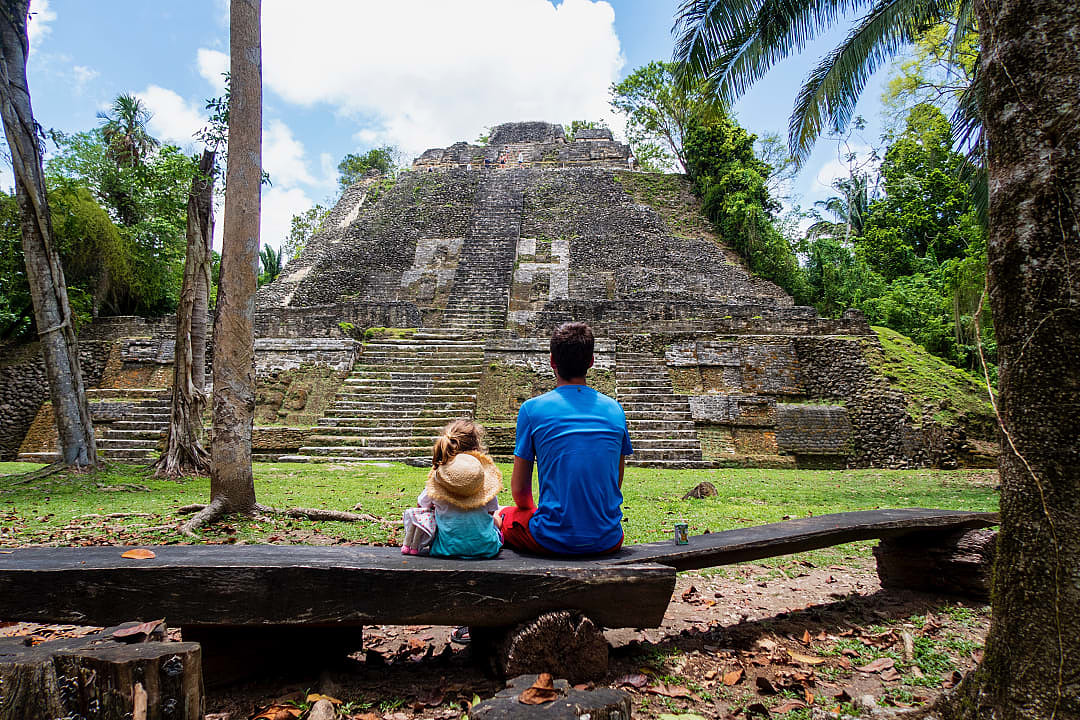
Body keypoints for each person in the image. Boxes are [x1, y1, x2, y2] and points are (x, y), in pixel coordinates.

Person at [496, 322, 632, 555]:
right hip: (608, 537)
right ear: (591, 362)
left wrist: (535, 512)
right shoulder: (615, 409)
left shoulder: (532, 410)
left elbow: (520, 492)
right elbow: (614, 482)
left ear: (552, 361)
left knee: (502, 515)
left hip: (552, 538)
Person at [402, 420, 503, 559]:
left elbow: (421, 506)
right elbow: (491, 512)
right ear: (476, 449)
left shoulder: (438, 480)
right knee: (498, 517)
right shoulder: (483, 481)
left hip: (444, 549)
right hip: (486, 549)